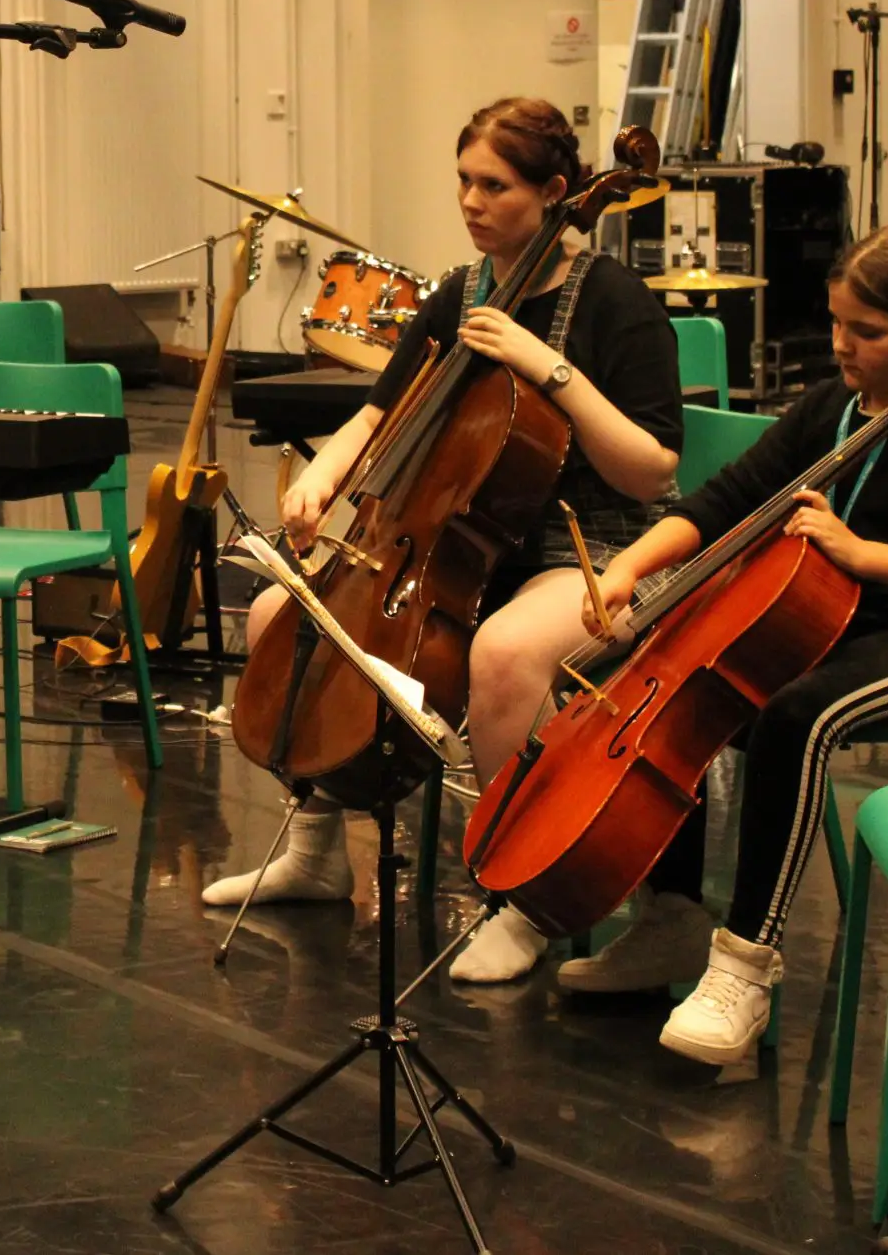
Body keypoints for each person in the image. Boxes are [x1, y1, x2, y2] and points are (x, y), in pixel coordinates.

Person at [204, 97, 686, 982]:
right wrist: (326, 474)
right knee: (280, 609)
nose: (469, 200)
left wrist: (548, 366)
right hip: (463, 544)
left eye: (492, 185)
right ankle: (315, 851)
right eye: (463, 180)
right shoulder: (463, 291)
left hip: (588, 549)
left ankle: (522, 897)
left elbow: (653, 469)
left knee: (504, 654)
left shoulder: (616, 302)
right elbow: (378, 412)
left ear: (553, 192)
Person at [556, 223, 888, 1063]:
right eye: (838, 322)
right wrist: (630, 568)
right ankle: (671, 919)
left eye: (869, 332)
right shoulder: (834, 409)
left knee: (794, 715)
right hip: (851, 625)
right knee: (693, 680)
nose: (843, 345)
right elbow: (729, 496)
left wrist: (860, 554)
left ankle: (746, 964)